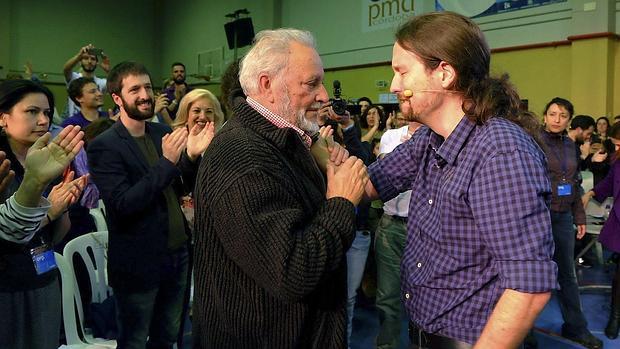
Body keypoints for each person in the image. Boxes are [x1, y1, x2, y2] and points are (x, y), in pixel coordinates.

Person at [364, 12, 557, 348]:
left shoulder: (500, 152)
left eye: (401, 71)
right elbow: (370, 182)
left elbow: (527, 288)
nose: (394, 85)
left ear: (444, 74)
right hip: (424, 332)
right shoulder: (431, 138)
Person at [192, 28, 368, 349]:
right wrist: (341, 200)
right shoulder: (245, 158)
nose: (324, 95)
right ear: (266, 85)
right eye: (311, 83)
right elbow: (292, 271)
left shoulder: (281, 142)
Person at [87, 61, 211, 349]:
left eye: (147, 87)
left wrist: (191, 158)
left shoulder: (159, 133)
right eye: (135, 89)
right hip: (139, 261)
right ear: (117, 98)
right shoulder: (105, 145)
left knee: (168, 337)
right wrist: (167, 162)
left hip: (178, 253)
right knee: (133, 341)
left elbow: (181, 186)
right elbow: (123, 205)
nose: (145, 95)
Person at [0, 79, 87, 349]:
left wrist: (62, 209)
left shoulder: (51, 161)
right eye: (32, 111)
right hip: (7, 285)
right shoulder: (3, 165)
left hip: (44, 276)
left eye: (47, 113)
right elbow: (8, 237)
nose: (43, 120)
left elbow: (55, 237)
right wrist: (48, 213)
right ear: (3, 118)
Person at [540, 97, 602, 348]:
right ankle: (524, 333)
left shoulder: (570, 145)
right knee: (531, 276)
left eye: (562, 115)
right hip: (538, 217)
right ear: (544, 116)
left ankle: (576, 327)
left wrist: (579, 216)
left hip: (564, 217)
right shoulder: (533, 141)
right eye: (552, 114)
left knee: (567, 275)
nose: (556, 119)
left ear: (569, 120)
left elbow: (574, 181)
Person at [374, 118, 421, 349]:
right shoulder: (391, 136)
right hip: (391, 225)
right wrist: (408, 150)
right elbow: (383, 169)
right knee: (387, 297)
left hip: (424, 228)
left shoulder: (440, 136)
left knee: (425, 298)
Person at [583, 122, 620, 340]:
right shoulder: (617, 162)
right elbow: (608, 184)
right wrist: (591, 193)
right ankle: (615, 317)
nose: (616, 146)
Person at [62, 44, 110, 118]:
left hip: (94, 121)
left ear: (97, 63)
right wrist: (79, 56)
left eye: (93, 59)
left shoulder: (101, 82)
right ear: (80, 62)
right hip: (74, 121)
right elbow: (66, 69)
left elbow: (117, 83)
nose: (89, 61)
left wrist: (108, 70)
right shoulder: (74, 78)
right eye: (86, 58)